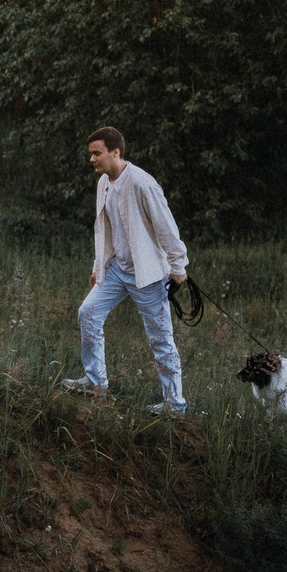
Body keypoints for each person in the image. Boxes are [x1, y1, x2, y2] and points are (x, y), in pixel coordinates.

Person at [60, 126, 191, 414]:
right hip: (116, 270)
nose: (92, 159)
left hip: (147, 275)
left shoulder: (142, 183)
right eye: (91, 154)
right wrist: (99, 267)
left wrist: (178, 266)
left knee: (160, 338)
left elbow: (166, 227)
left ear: (115, 152)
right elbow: (103, 229)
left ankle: (174, 404)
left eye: (97, 153)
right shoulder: (103, 183)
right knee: (88, 313)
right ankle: (96, 382)